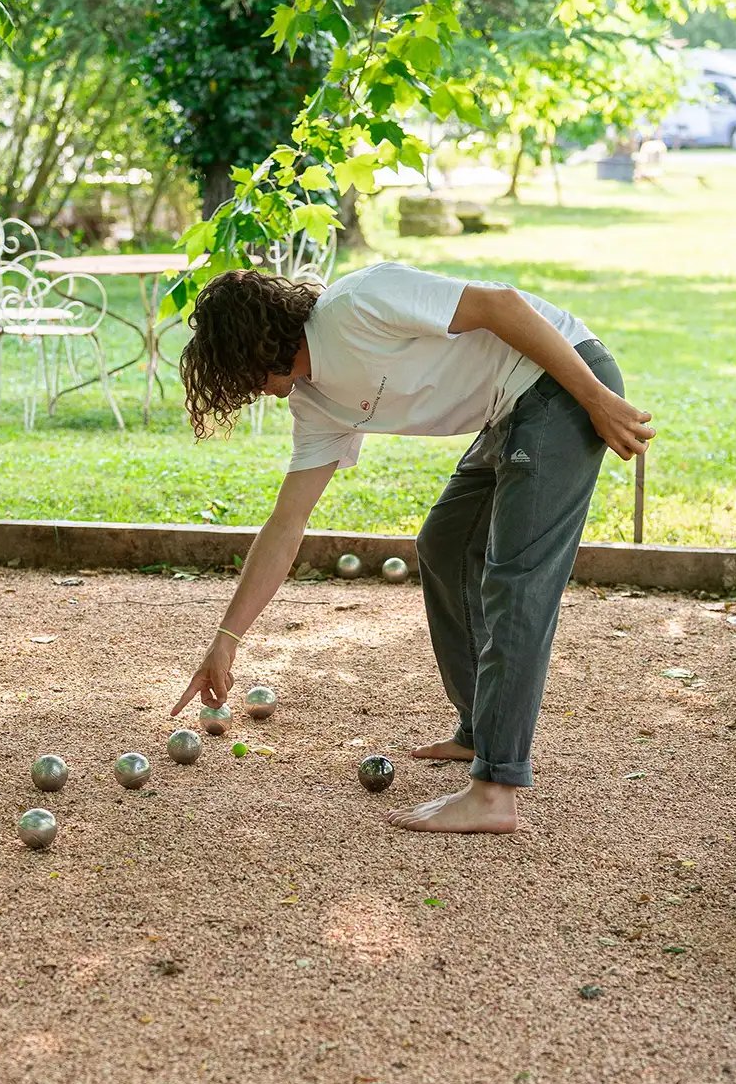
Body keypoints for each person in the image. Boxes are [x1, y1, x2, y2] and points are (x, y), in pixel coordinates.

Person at [172, 262, 654, 834]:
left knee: (516, 577)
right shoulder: (315, 405)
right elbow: (287, 523)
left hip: (562, 381)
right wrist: (226, 640)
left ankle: (495, 790)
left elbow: (500, 304)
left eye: (237, 370)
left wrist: (597, 398)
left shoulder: (357, 304)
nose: (245, 391)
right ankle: (480, 729)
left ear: (258, 344)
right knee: (445, 545)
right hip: (507, 409)